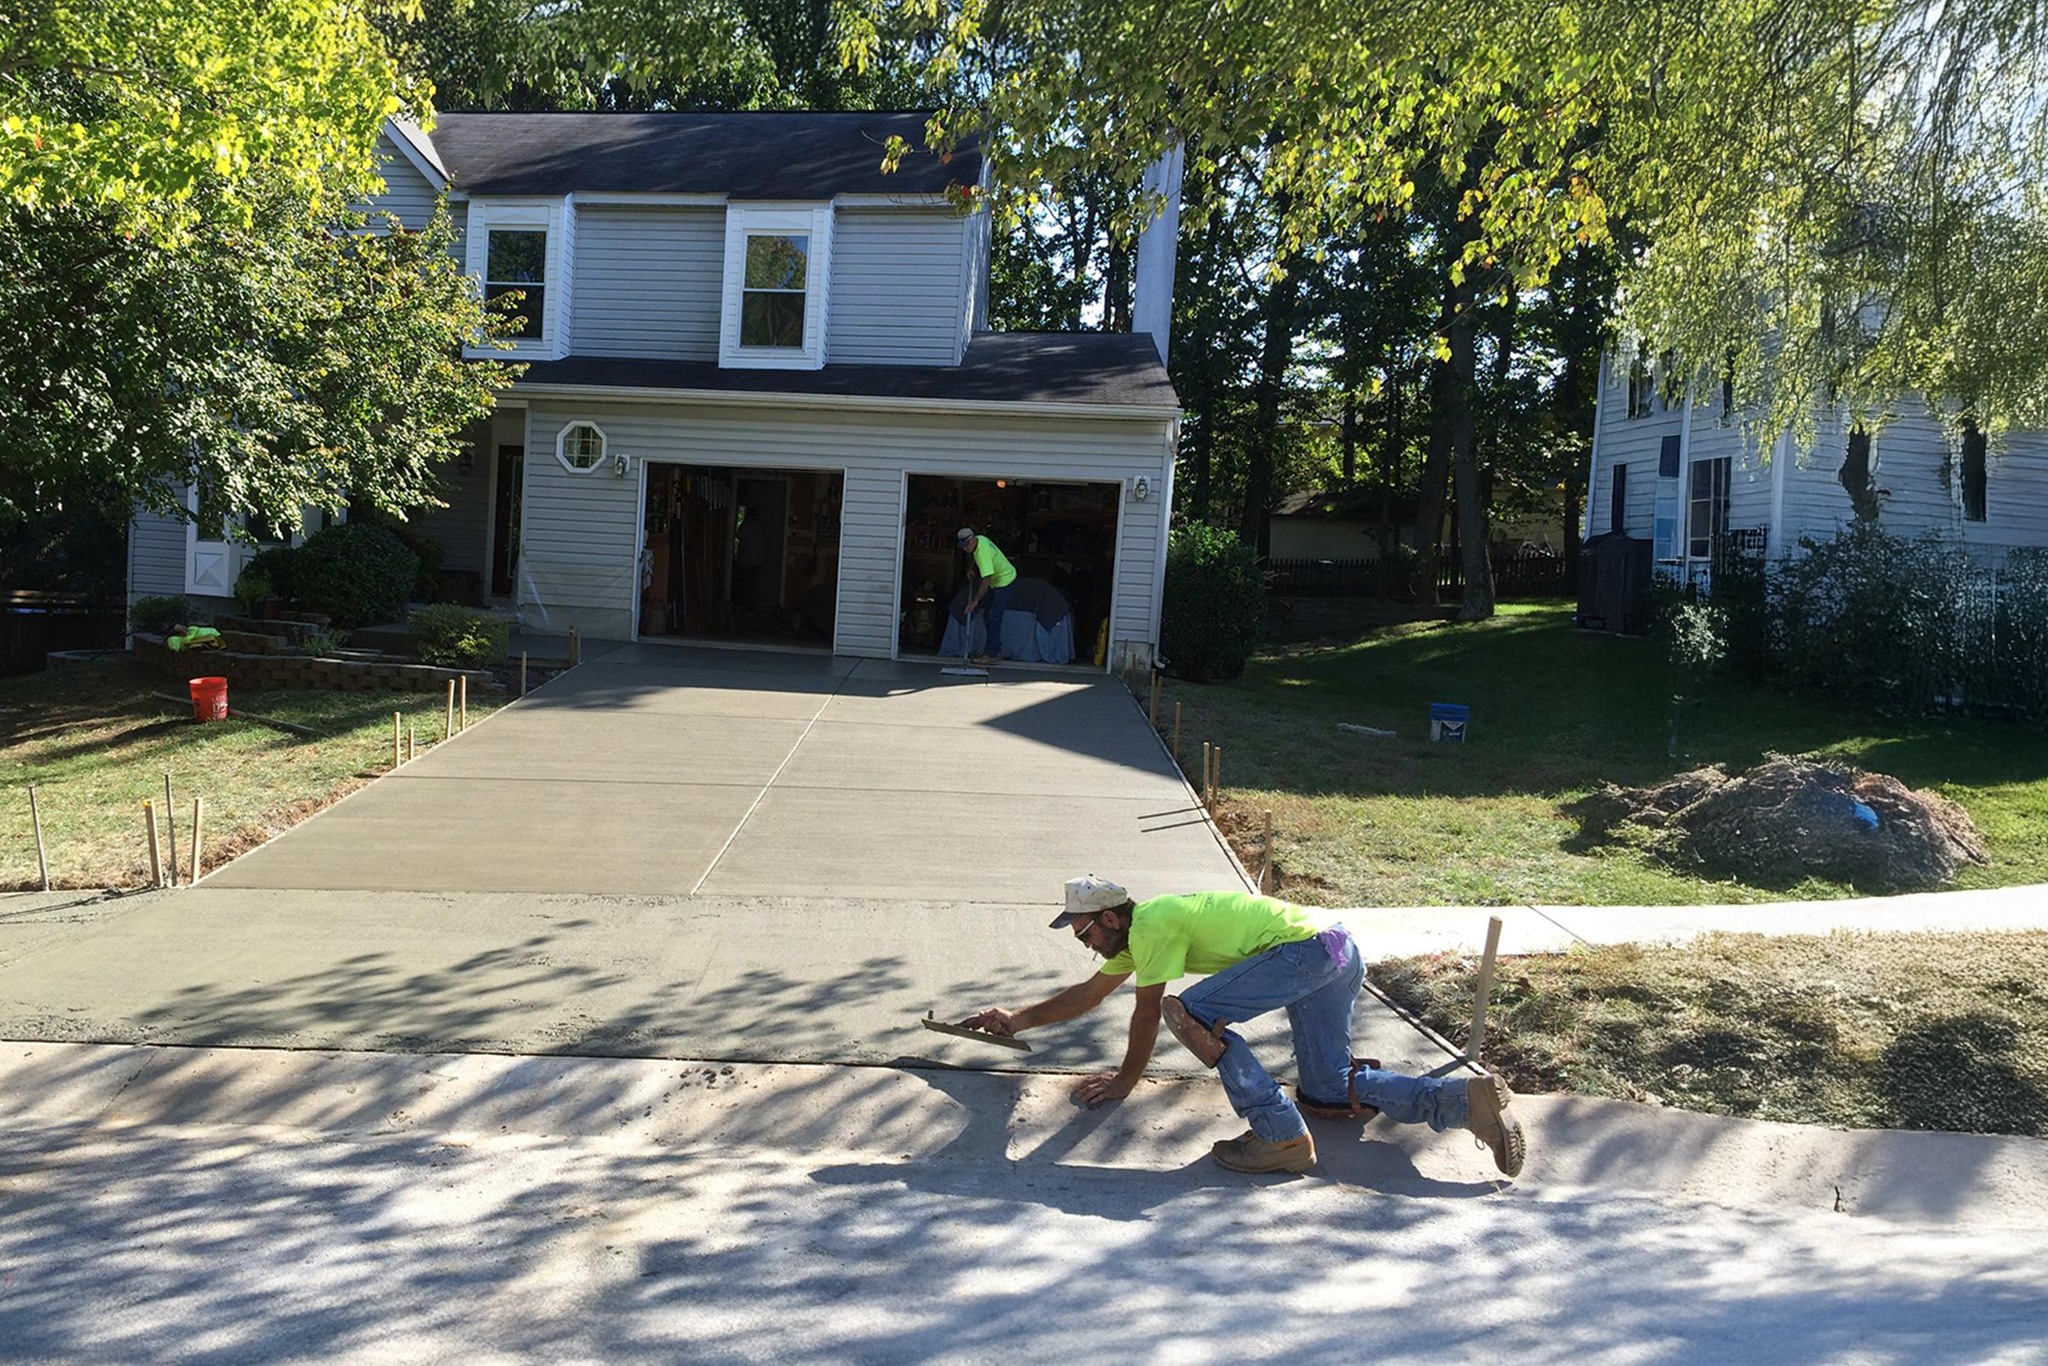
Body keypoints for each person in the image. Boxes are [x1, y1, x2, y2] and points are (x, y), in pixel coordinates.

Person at [961, 876, 1527, 1177]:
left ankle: (1278, 1135)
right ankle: (1463, 1102)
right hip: (1337, 948)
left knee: (1191, 1013)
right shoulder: (1139, 934)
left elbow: (1146, 1014)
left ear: (1109, 919)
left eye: (1083, 933)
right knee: (1328, 1085)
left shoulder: (1153, 923)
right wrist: (1017, 1019)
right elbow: (1088, 994)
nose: (1083, 944)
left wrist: (1124, 1082)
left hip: (1304, 950)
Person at [956, 526, 1017, 662]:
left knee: (994, 616)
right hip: (996, 581)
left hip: (1005, 580)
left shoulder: (982, 554)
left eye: (966, 546)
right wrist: (972, 568)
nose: (965, 549)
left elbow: (986, 580)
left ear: (972, 540)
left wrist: (975, 601)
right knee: (987, 615)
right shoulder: (980, 539)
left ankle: (991, 654)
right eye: (963, 547)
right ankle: (995, 649)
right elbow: (974, 555)